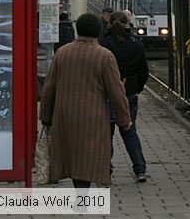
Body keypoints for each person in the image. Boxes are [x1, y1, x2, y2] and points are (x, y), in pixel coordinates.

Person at [40, 13, 131, 190]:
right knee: (88, 155)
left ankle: (79, 193)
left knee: (71, 154)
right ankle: (83, 195)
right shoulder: (105, 56)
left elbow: (49, 88)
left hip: (64, 114)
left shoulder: (62, 53)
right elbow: (116, 91)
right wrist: (124, 120)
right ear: (98, 31)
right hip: (93, 116)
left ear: (77, 29)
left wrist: (46, 116)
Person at [101, 10, 149, 183]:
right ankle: (140, 169)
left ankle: (106, 169)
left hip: (108, 95)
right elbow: (144, 71)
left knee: (107, 132)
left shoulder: (105, 44)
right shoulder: (136, 44)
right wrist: (136, 88)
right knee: (129, 131)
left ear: (110, 23)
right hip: (129, 93)